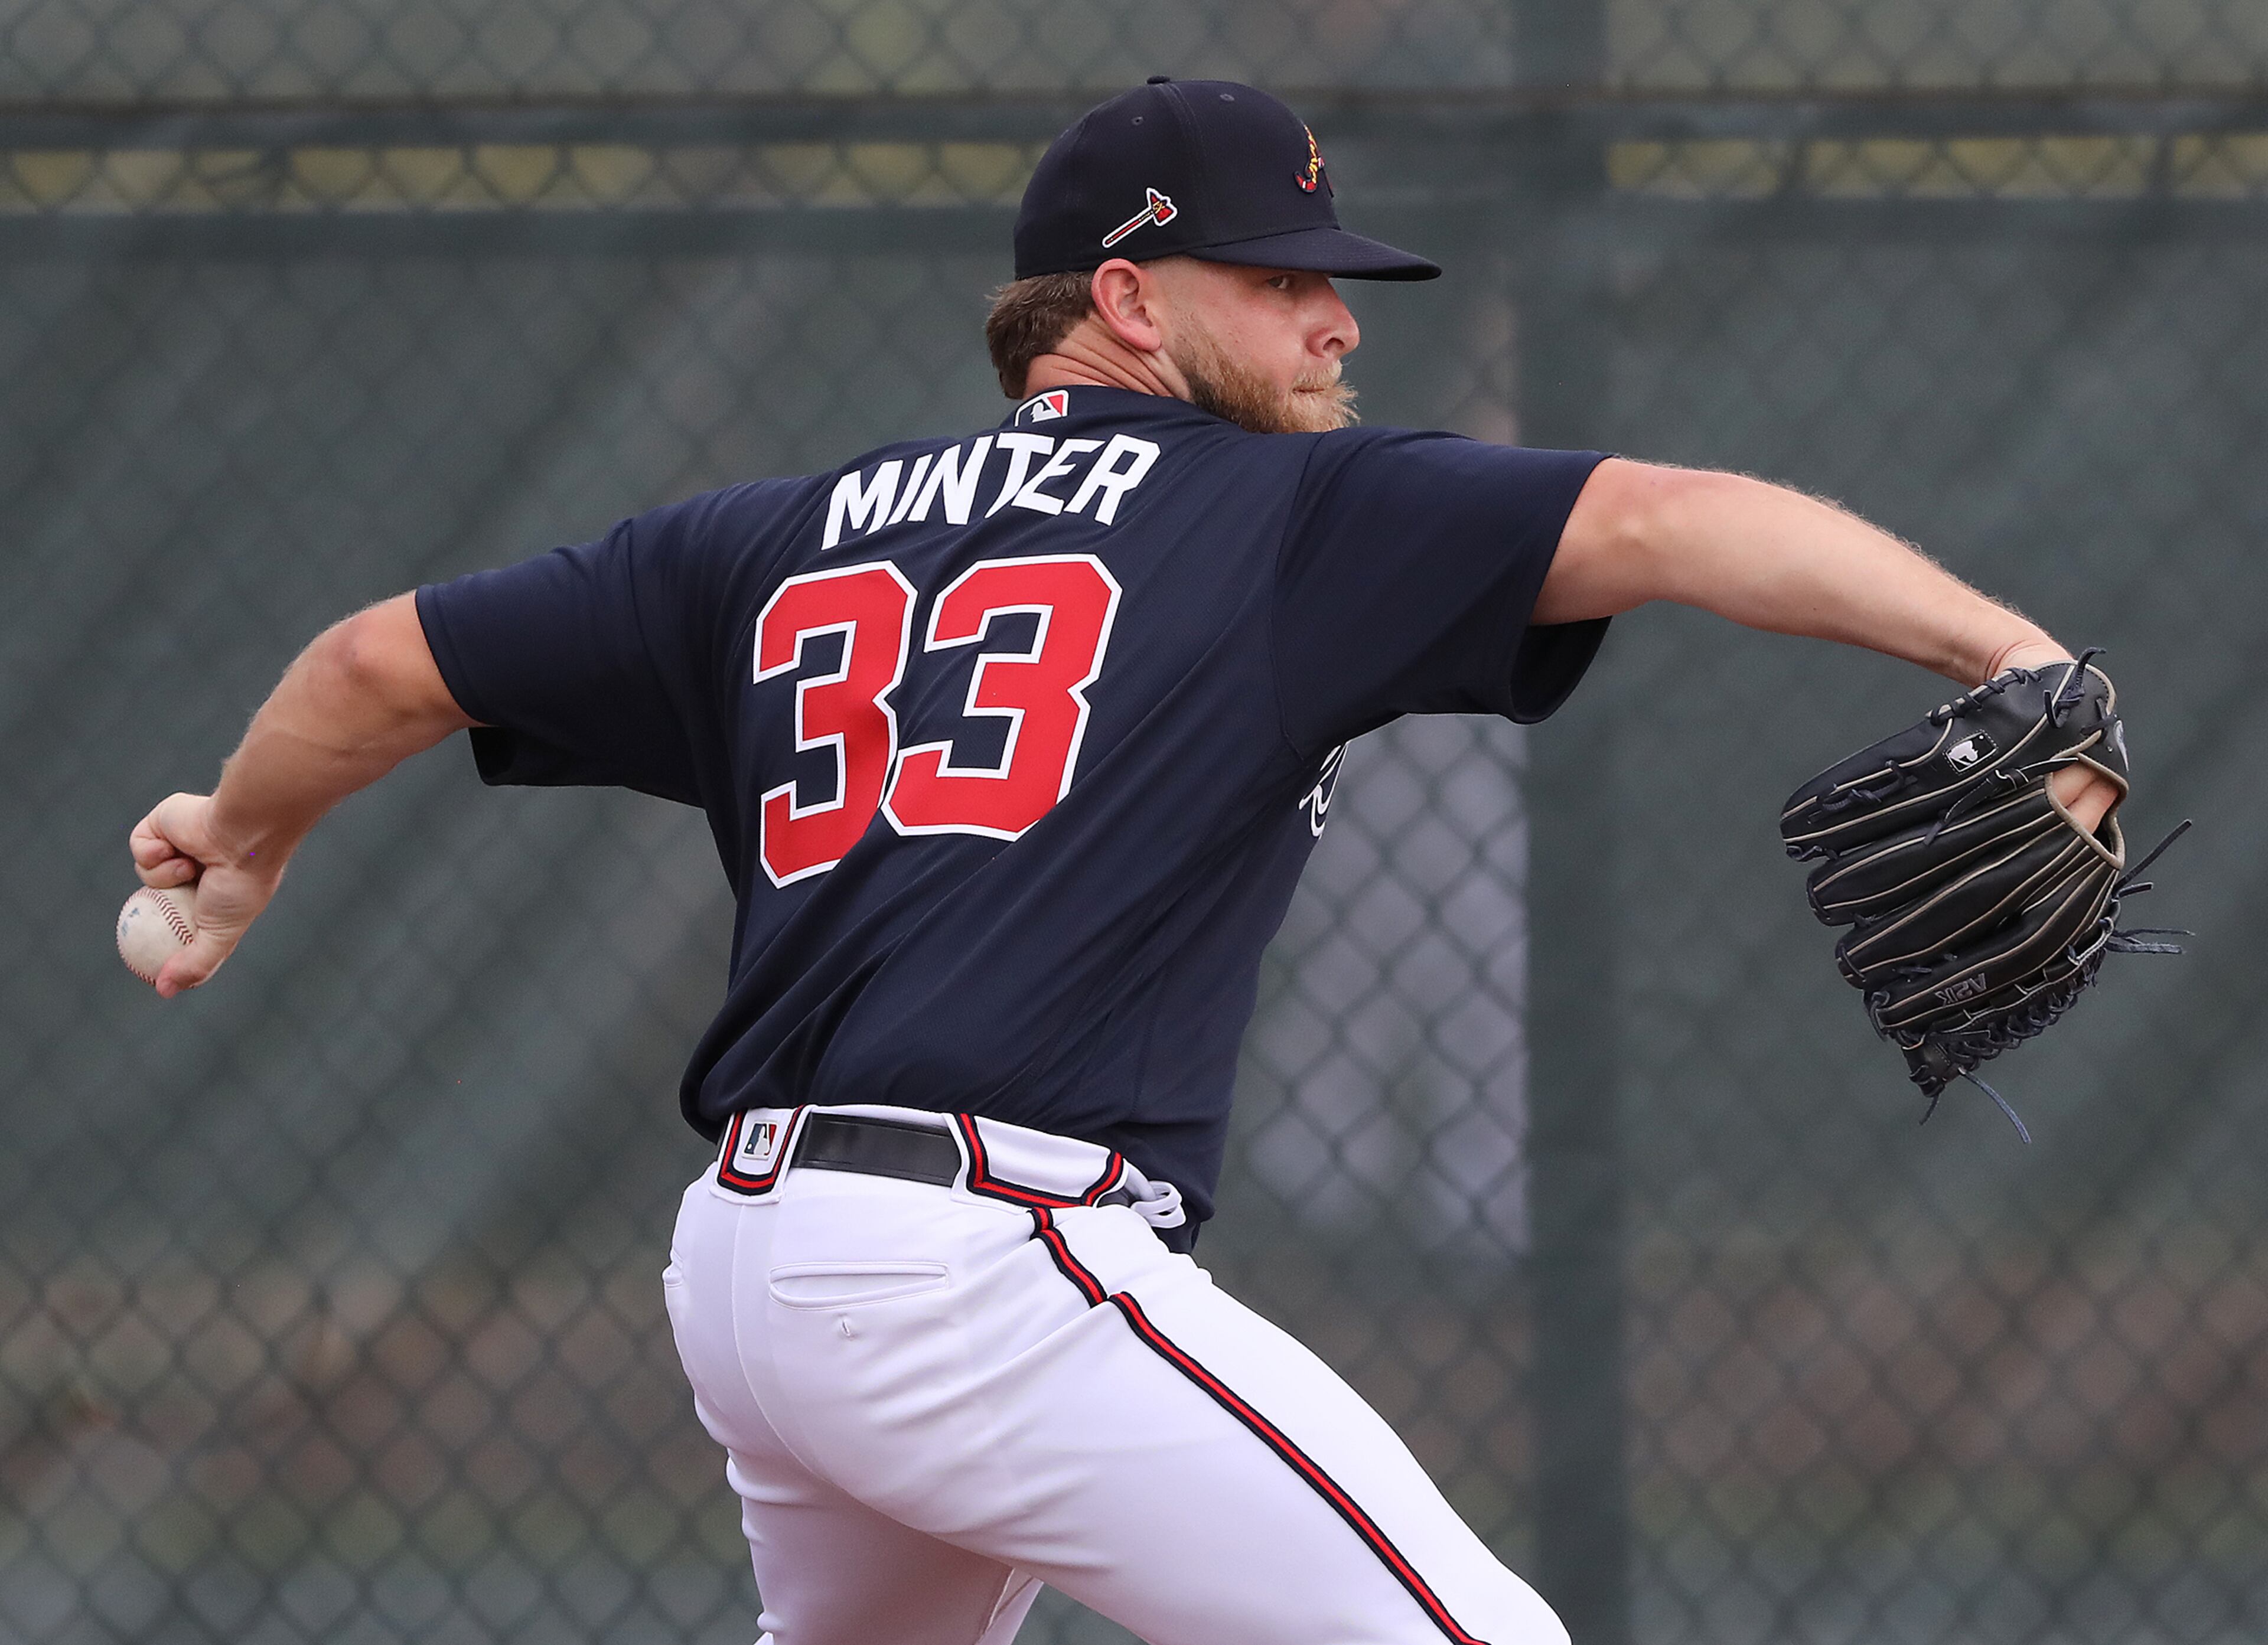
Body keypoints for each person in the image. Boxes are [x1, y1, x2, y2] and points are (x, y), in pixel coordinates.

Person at [129, 79, 2116, 1645]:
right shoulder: (1278, 512)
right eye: (1282, 277)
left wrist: (242, 837)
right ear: (1130, 302)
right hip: (983, 1264)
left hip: (751, 1260)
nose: (1339, 317)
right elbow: (1674, 519)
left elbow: (381, 661)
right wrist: (2007, 653)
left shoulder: (772, 538)